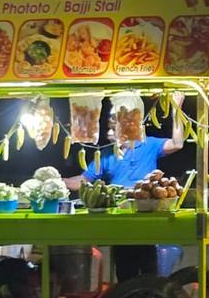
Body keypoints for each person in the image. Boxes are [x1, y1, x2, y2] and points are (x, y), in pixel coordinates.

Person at [64, 99, 185, 281]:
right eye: (109, 127)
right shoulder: (105, 155)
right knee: (124, 264)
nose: (109, 132)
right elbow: (83, 180)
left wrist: (177, 107)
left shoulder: (149, 145)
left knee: (148, 262)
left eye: (113, 127)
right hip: (120, 218)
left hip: (146, 214)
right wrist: (61, 181)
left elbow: (177, 144)